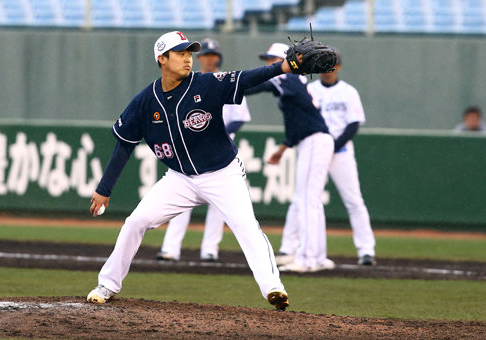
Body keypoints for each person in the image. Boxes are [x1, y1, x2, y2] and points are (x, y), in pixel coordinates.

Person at [85, 30, 310, 311]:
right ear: (162, 59)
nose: (187, 59)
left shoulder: (206, 84)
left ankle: (273, 288)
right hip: (179, 179)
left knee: (246, 227)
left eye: (189, 53)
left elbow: (248, 77)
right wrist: (104, 189)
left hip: (222, 173)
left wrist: (285, 66)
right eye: (180, 53)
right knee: (135, 222)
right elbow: (124, 145)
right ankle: (107, 284)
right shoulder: (145, 101)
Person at [156, 38, 251, 262]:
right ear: (200, 58)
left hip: (222, 149)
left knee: (219, 203)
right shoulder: (185, 82)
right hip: (191, 147)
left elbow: (240, 118)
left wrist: (217, 131)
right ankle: (171, 248)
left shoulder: (227, 81)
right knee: (181, 197)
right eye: (206, 55)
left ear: (218, 58)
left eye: (213, 55)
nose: (209, 59)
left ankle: (210, 249)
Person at [244, 43, 335, 273]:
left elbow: (257, 84)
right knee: (308, 200)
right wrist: (284, 147)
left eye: (272, 59)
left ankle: (307, 259)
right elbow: (298, 121)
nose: (269, 65)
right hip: (312, 140)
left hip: (315, 140)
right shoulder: (294, 82)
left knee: (307, 201)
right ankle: (317, 256)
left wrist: (226, 87)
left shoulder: (287, 78)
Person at [307, 52, 376, 266]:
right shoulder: (310, 90)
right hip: (315, 151)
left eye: (332, 65)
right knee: (309, 201)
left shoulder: (348, 92)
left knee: (354, 200)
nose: (328, 69)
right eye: (324, 65)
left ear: (339, 66)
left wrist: (333, 146)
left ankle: (366, 250)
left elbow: (354, 123)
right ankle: (305, 250)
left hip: (341, 152)